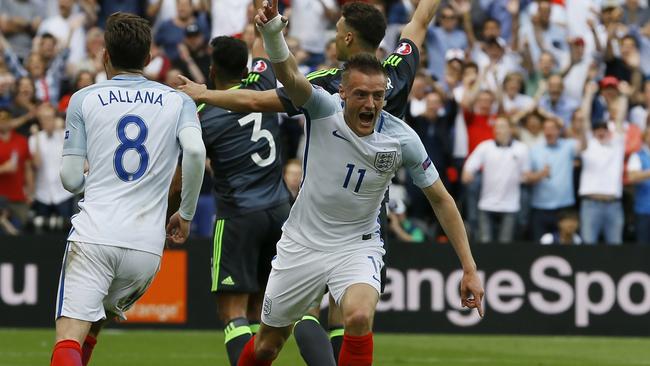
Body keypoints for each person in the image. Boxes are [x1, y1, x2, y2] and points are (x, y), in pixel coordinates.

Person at [178, 0, 441, 363]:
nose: (333, 38)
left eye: (337, 32)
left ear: (348, 38)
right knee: (346, 316)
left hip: (324, 208)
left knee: (314, 314)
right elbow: (421, 19)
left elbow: (256, 100)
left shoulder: (332, 85)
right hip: (369, 206)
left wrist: (205, 93)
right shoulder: (397, 70)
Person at [236, 2, 483, 365]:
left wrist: (470, 267)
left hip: (359, 231)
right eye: (363, 95)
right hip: (306, 235)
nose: (371, 103)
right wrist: (270, 34)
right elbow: (287, 77)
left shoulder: (399, 131)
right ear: (344, 94)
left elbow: (443, 200)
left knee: (356, 316)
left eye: (378, 96)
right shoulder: (325, 100)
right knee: (266, 346)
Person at [49, 13, 205, 366]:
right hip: (146, 249)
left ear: (104, 55)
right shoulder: (179, 100)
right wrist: (186, 213)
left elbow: (71, 180)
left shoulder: (83, 98)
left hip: (95, 236)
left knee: (69, 336)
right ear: (149, 59)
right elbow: (195, 152)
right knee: (94, 325)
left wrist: (99, 178)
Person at [172, 35, 291, 366]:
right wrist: (263, 20)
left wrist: (176, 213)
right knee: (256, 311)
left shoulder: (203, 113)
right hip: (281, 213)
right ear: (246, 68)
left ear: (211, 72)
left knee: (232, 313)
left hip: (239, 217)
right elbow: (262, 44)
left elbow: (183, 176)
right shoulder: (263, 80)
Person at [626, 126, 650, 245]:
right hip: (644, 211)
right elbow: (632, 176)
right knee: (644, 248)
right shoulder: (637, 156)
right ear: (645, 137)